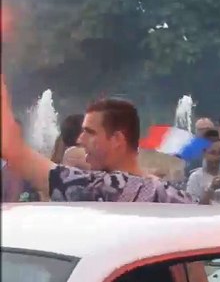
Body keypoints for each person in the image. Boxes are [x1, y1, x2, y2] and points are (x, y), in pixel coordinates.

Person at [0, 77, 194, 203]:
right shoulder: (174, 198)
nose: (80, 139)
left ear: (117, 139)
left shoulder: (109, 189)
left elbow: (15, 151)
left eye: (90, 132)